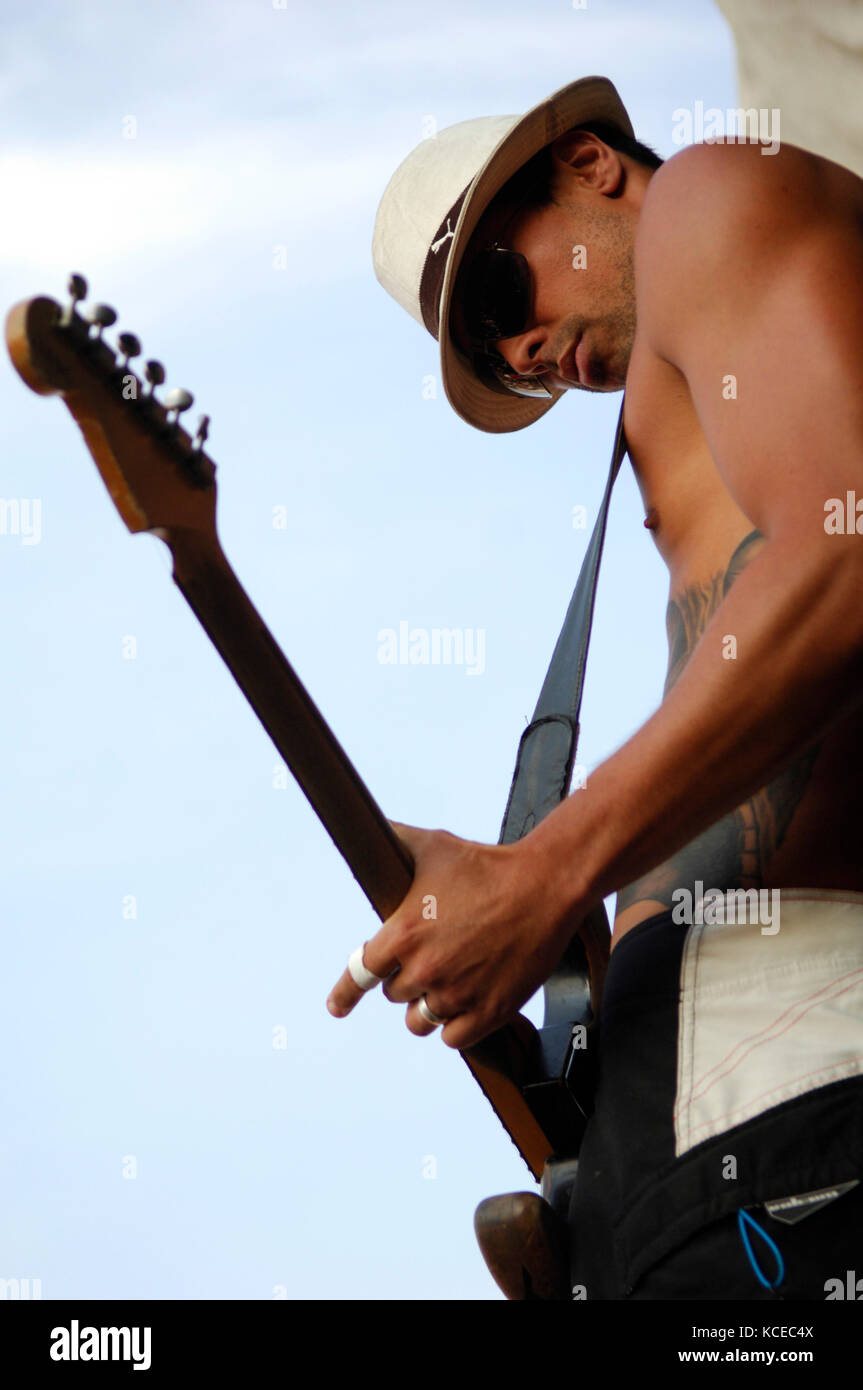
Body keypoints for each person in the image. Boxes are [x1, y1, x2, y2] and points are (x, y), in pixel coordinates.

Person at [326, 76, 863, 1298]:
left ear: (589, 164)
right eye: (484, 357)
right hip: (695, 1118)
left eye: (499, 291)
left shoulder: (709, 199)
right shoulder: (685, 405)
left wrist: (549, 867)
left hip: (790, 1065)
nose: (518, 352)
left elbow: (843, 549)